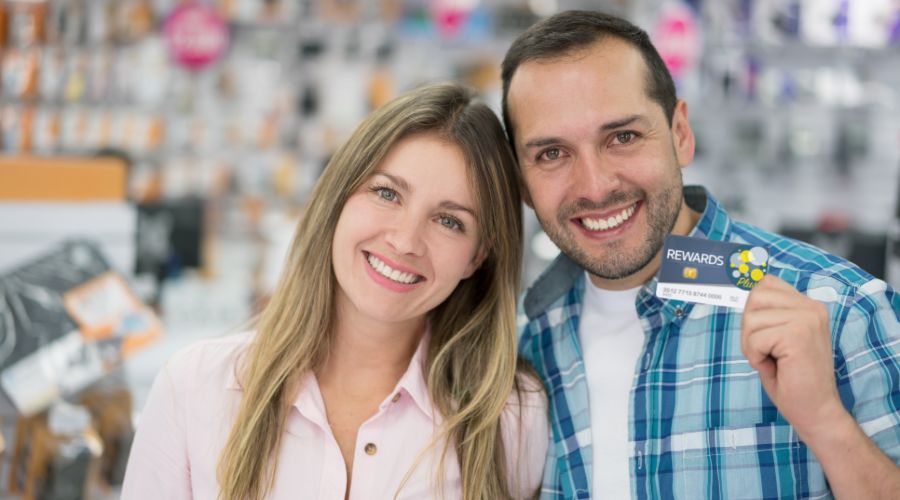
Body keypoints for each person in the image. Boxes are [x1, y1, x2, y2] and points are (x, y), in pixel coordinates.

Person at [500, 10, 900, 500]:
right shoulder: (522, 350)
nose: (596, 185)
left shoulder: (841, 310)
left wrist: (825, 422)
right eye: (552, 154)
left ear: (681, 135)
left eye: (623, 137)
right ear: (521, 181)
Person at [121, 82, 548, 499]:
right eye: (387, 193)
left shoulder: (512, 417)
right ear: (338, 197)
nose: (405, 241)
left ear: (477, 257)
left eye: (450, 221)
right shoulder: (195, 387)